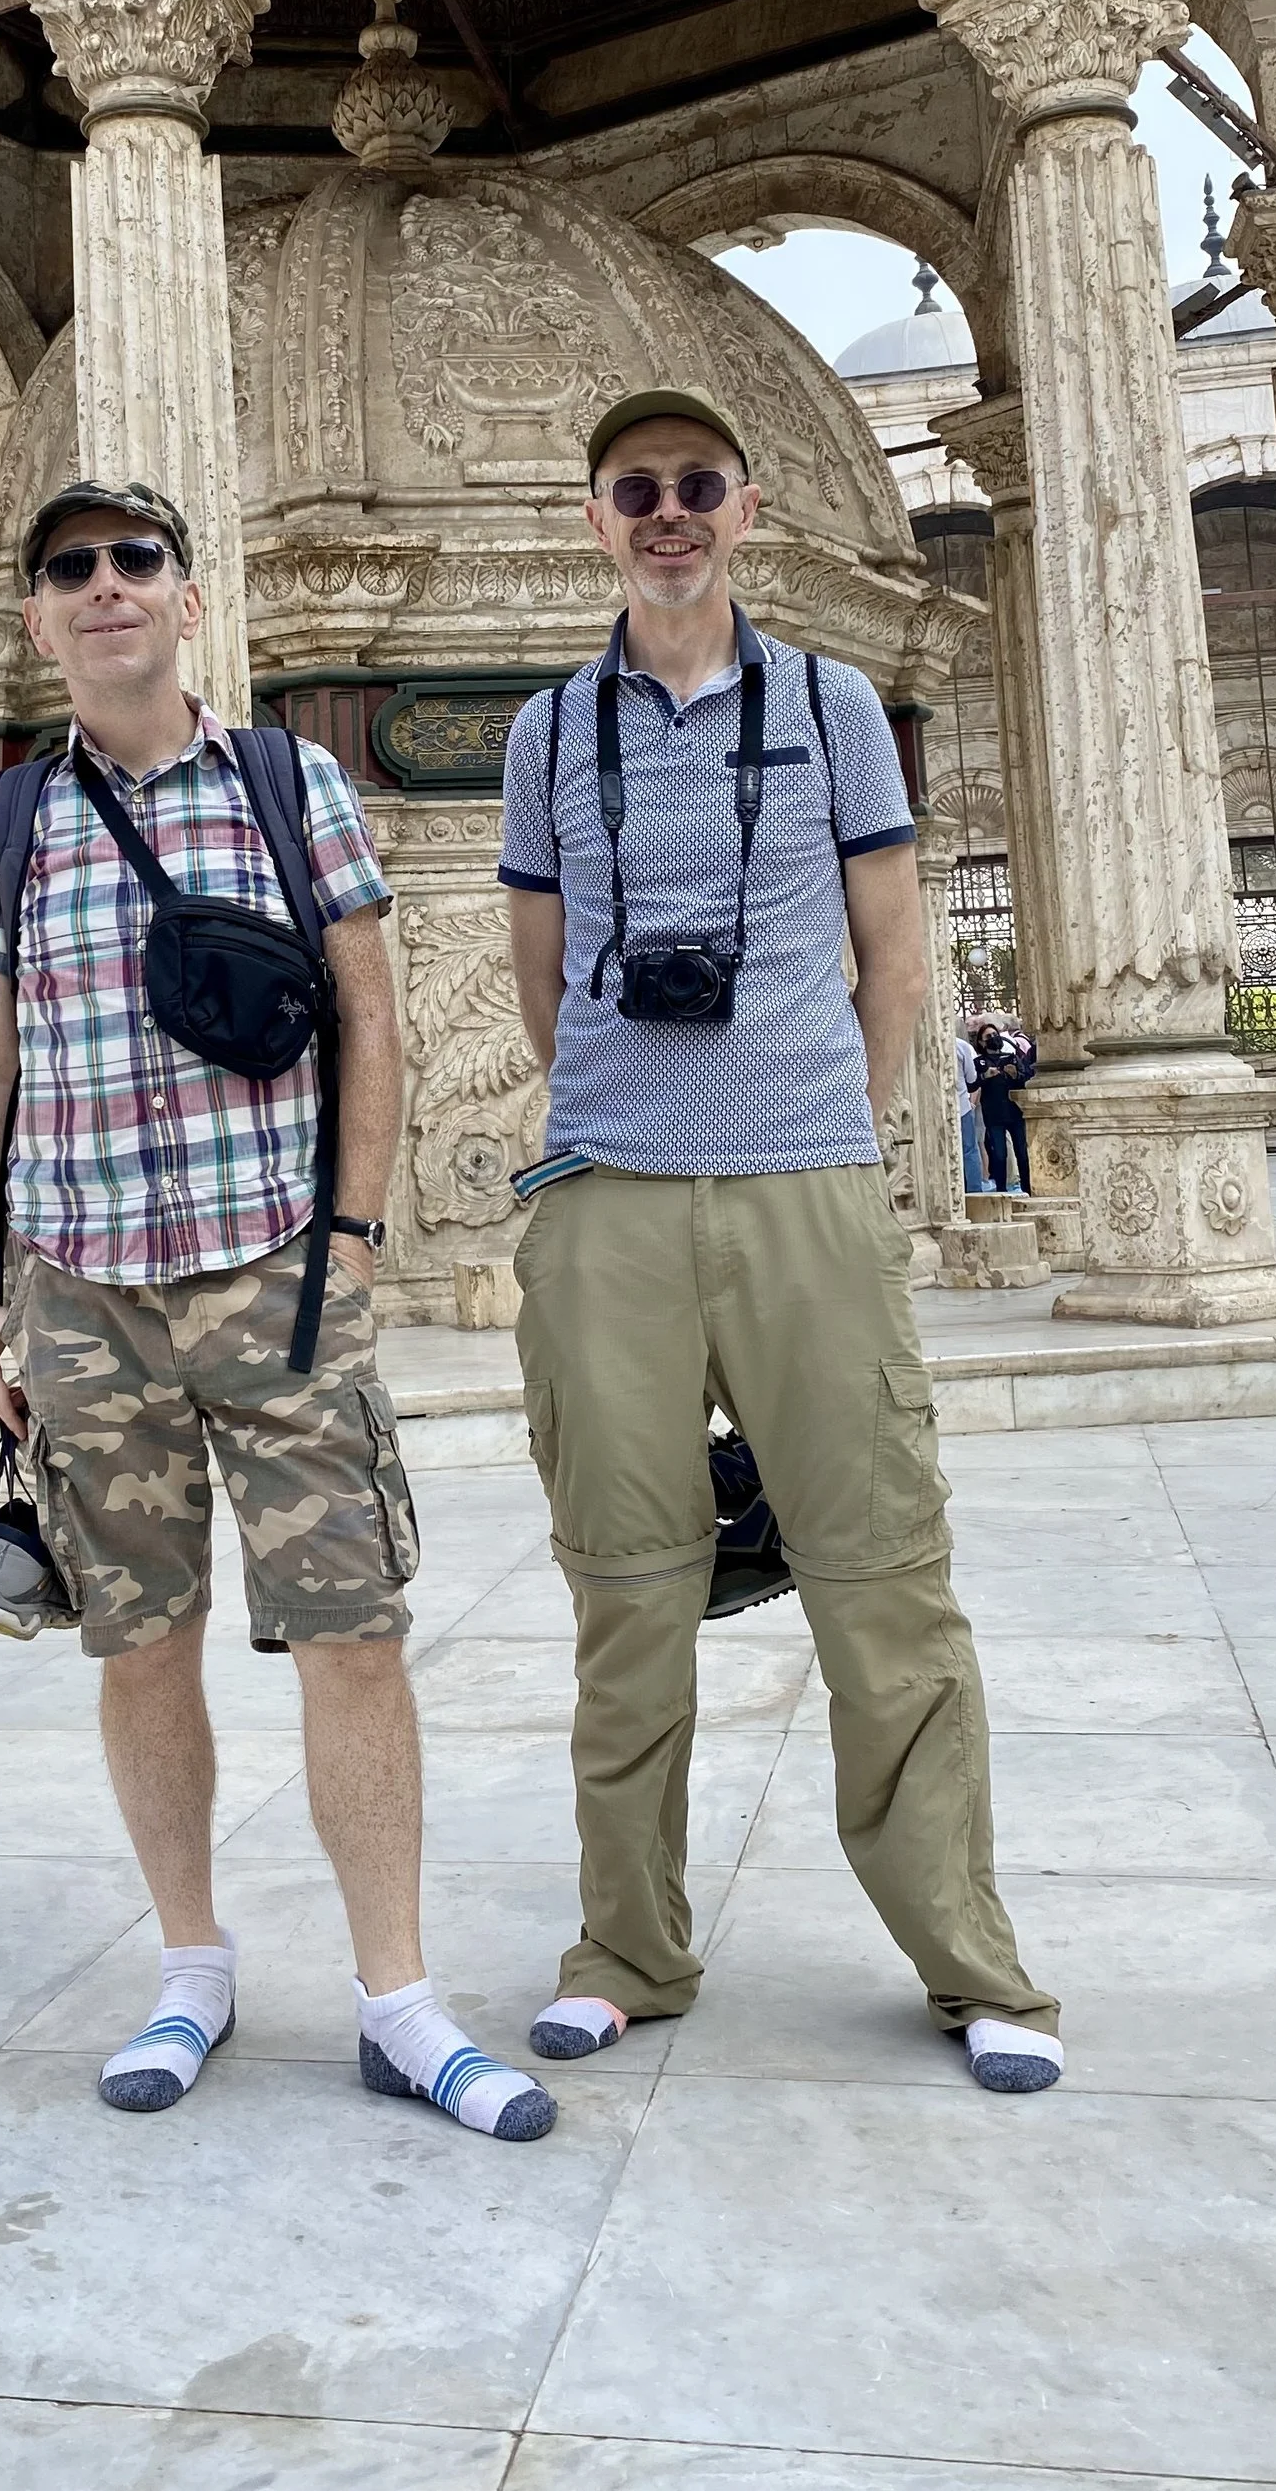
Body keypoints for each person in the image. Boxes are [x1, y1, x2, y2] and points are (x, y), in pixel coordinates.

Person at [0, 474, 552, 2143]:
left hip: (275, 1272)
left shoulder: (290, 784)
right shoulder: (10, 820)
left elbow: (371, 1018)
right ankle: (190, 1965)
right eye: (73, 568)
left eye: (138, 559)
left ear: (188, 598)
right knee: (138, 1639)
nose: (108, 585)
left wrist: (350, 1241)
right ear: (39, 613)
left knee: (352, 1629)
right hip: (82, 1292)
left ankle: (398, 1996)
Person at [499, 388, 1059, 2096]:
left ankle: (970, 1957)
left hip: (805, 1181)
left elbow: (895, 952)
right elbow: (541, 974)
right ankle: (629, 1950)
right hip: (608, 1197)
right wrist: (625, 1111)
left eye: (695, 487)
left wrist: (839, 1117)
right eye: (633, 489)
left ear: (746, 511)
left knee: (885, 1573)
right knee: (627, 1587)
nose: (666, 513)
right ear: (596, 518)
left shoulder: (830, 707)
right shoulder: (547, 731)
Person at [973, 1018, 1035, 1195]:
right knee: (1000, 1155)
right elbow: (973, 1084)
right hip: (994, 1115)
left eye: (995, 1034)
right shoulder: (980, 1063)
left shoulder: (1012, 1058)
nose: (993, 1038)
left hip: (1014, 1112)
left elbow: (1025, 1079)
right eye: (988, 1036)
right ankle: (1001, 1190)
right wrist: (985, 1077)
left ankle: (1028, 1189)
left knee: (1022, 1153)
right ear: (981, 1042)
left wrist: (1015, 1074)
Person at [955, 1026, 986, 1196]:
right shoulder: (961, 1046)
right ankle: (974, 1191)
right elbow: (972, 1079)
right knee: (970, 1150)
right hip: (961, 1104)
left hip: (939, 1108)